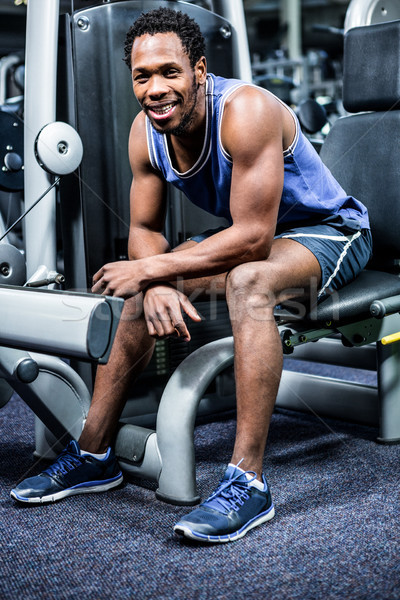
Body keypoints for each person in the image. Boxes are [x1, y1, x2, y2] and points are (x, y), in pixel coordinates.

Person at [11, 7, 372, 543]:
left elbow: (251, 239)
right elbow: (143, 226)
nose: (155, 88)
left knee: (248, 284)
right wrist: (153, 284)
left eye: (170, 72)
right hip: (260, 235)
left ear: (199, 71)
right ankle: (93, 454)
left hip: (329, 231)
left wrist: (150, 268)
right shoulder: (145, 133)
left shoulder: (245, 110)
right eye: (142, 75)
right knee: (134, 296)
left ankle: (247, 483)